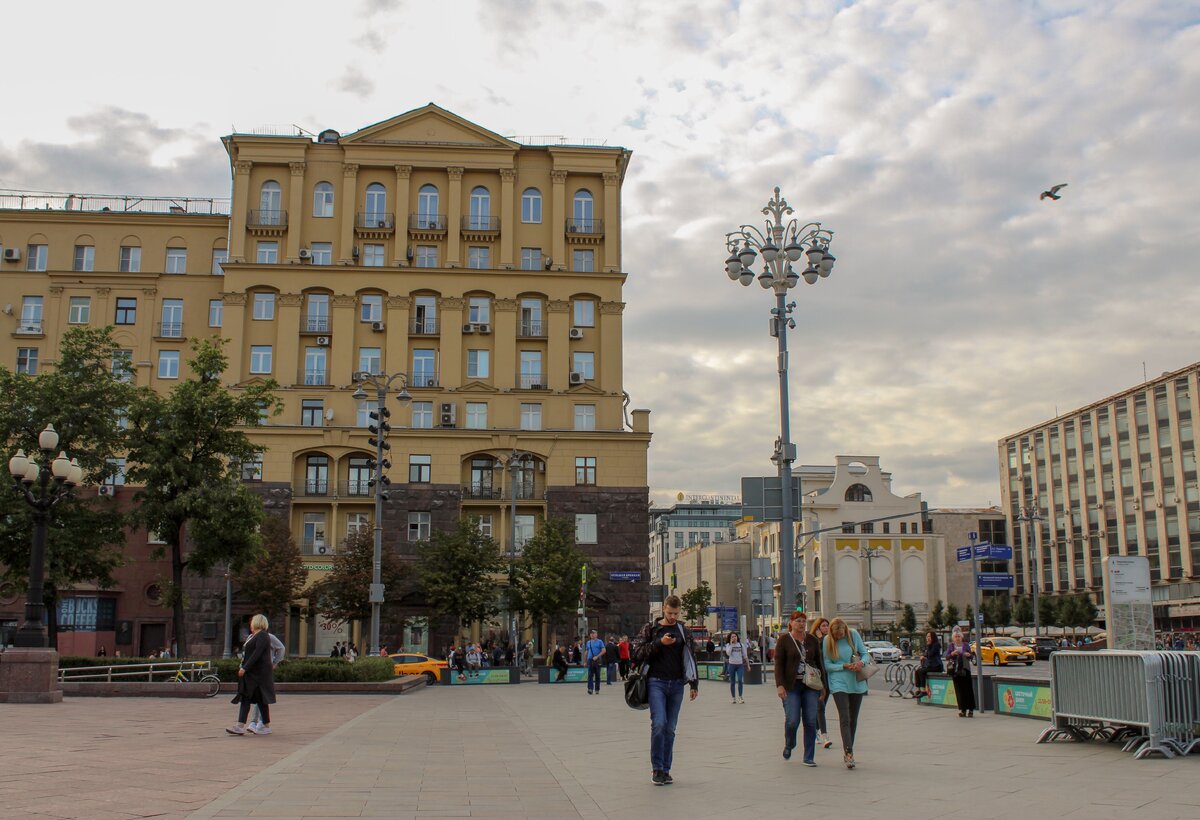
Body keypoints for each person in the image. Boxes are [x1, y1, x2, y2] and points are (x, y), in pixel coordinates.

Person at [632, 595, 699, 786]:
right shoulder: (651, 629)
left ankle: (666, 770)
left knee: (670, 729)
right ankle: (657, 769)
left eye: (676, 614)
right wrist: (659, 643)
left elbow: (691, 657)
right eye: (670, 613)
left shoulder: (683, 631)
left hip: (677, 684)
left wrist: (694, 684)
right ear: (663, 609)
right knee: (659, 724)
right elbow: (636, 652)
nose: (673, 617)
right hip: (656, 682)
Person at [823, 616, 870, 769]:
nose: (839, 637)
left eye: (841, 634)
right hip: (838, 682)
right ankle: (849, 753)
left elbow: (865, 653)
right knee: (844, 716)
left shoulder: (853, 634)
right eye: (837, 636)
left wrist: (861, 663)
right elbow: (827, 664)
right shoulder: (827, 641)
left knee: (853, 719)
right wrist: (843, 666)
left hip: (856, 681)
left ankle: (849, 747)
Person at [775, 612, 821, 766]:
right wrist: (780, 685)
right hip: (791, 686)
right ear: (791, 623)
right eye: (798, 621)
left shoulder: (812, 640)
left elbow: (820, 663)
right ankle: (790, 743)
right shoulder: (784, 640)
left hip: (811, 685)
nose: (801, 624)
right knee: (793, 720)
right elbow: (779, 664)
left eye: (803, 621)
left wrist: (824, 687)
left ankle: (809, 756)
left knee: (810, 721)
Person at [226, 614, 277, 736]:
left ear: (256, 622)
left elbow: (257, 653)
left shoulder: (263, 635)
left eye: (252, 622)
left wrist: (245, 667)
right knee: (260, 700)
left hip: (257, 675)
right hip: (256, 674)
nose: (250, 624)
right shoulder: (255, 636)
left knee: (247, 698)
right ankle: (265, 726)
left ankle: (240, 726)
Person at [247, 629, 285, 735]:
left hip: (264, 671)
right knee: (258, 696)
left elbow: (281, 648)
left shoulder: (269, 637)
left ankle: (258, 722)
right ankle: (258, 722)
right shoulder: (251, 637)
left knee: (261, 695)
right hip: (254, 671)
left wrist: (275, 662)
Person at [807, 616, 834, 749]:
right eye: (823, 626)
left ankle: (815, 731)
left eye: (827, 625)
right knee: (820, 706)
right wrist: (820, 638)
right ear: (817, 628)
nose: (826, 628)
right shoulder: (813, 641)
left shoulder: (829, 641)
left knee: (822, 706)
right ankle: (824, 736)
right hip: (817, 678)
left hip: (828, 677)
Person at [945, 630, 976, 717]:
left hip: (965, 670)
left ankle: (971, 710)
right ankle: (963, 710)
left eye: (959, 636)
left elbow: (972, 656)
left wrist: (968, 655)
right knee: (960, 691)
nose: (957, 638)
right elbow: (947, 657)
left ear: (962, 637)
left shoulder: (966, 645)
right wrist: (952, 653)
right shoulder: (951, 646)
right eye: (956, 637)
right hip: (955, 671)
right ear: (953, 638)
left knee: (968, 690)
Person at [913, 629, 943, 701]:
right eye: (927, 636)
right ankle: (918, 689)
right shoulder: (930, 645)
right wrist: (923, 656)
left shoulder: (936, 645)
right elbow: (926, 654)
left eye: (929, 636)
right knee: (917, 671)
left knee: (921, 671)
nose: (928, 638)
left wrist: (928, 646)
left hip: (937, 666)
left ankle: (923, 690)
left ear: (933, 637)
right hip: (931, 666)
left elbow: (930, 654)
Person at [724, 632, 748, 704]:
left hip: (740, 665)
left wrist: (748, 665)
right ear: (730, 638)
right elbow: (728, 653)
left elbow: (745, 655)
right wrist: (731, 644)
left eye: (735, 636)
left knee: (740, 680)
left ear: (737, 637)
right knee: (732, 682)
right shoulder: (728, 645)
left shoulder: (741, 645)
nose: (734, 638)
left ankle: (740, 697)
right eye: (732, 637)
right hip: (732, 665)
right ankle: (733, 698)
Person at [584, 630, 606, 694]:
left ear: (596, 634)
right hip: (590, 660)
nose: (592, 635)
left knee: (597, 675)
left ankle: (597, 689)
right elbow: (586, 652)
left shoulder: (600, 642)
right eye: (591, 634)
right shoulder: (588, 642)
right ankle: (590, 688)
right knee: (590, 675)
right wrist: (585, 661)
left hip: (597, 660)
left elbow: (604, 650)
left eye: (594, 633)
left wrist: (597, 656)